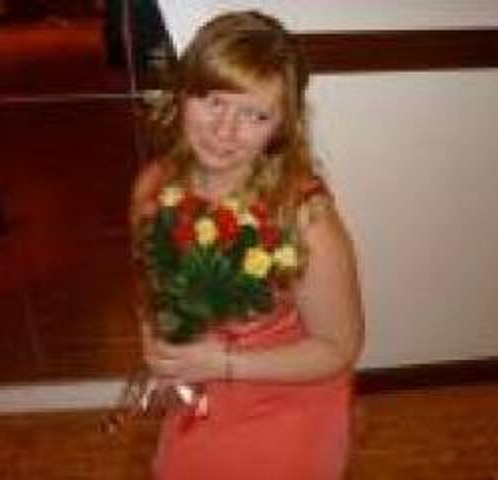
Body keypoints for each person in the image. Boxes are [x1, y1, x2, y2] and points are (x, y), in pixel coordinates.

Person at [129, 10, 364, 480]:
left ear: (282, 126)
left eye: (255, 115)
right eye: (213, 101)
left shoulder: (305, 218)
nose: (225, 130)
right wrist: (155, 337)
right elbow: (149, 283)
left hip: (288, 396)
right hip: (201, 384)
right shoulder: (154, 186)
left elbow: (340, 348)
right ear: (183, 93)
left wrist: (221, 363)